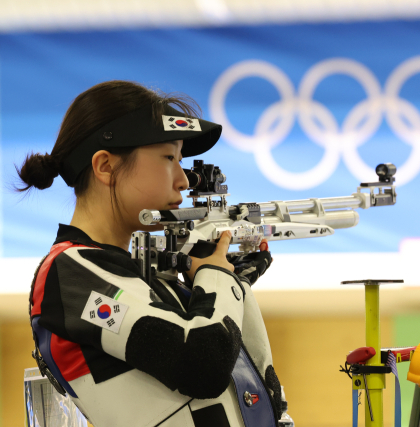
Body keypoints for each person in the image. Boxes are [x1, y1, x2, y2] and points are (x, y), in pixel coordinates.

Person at [19, 81, 279, 427]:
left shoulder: (138, 273)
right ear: (105, 166)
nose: (184, 180)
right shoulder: (67, 273)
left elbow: (249, 384)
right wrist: (217, 277)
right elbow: (204, 362)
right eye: (168, 157)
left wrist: (232, 284)